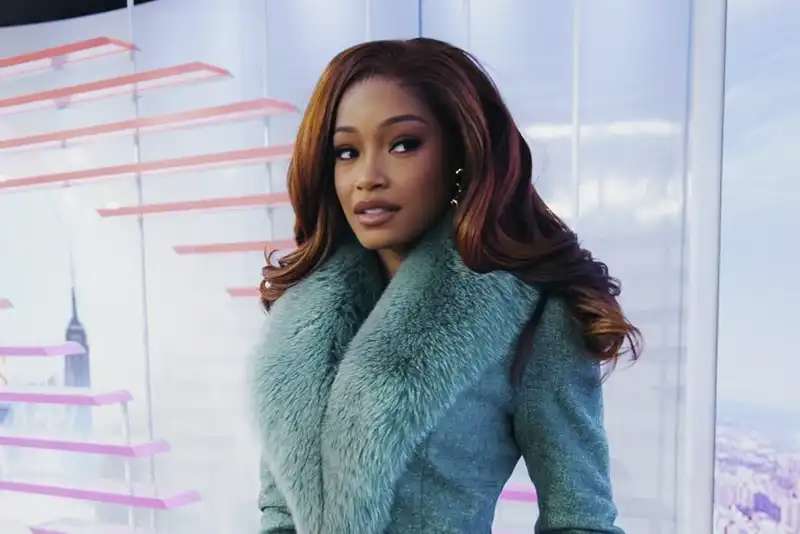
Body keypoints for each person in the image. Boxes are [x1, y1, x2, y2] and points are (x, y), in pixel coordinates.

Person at [250, 37, 641, 534]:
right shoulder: (300, 319)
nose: (367, 177)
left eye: (403, 144)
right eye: (346, 152)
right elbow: (279, 514)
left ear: (461, 154)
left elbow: (581, 521)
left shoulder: (530, 315)